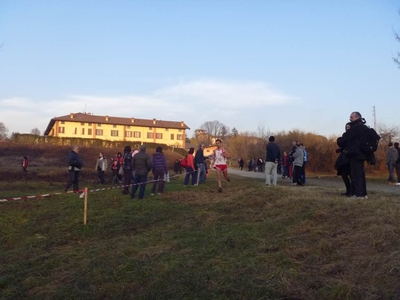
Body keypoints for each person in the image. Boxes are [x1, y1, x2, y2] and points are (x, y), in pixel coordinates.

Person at [337, 111, 368, 199]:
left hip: (355, 154)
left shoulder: (356, 127)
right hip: (363, 153)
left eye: (352, 117)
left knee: (356, 174)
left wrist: (339, 140)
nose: (350, 119)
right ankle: (364, 193)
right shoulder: (364, 127)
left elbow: (346, 138)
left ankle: (358, 194)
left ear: (357, 117)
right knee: (361, 174)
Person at [335, 123, 353, 197]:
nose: (347, 128)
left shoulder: (353, 135)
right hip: (344, 157)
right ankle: (348, 190)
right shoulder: (345, 135)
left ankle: (352, 191)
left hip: (351, 157)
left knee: (351, 175)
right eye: (346, 127)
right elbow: (344, 144)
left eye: (349, 127)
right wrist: (340, 149)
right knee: (344, 175)